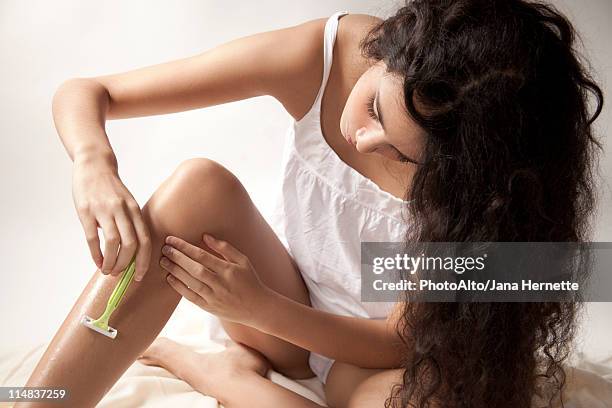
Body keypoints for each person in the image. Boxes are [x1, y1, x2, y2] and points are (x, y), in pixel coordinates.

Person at [17, 1, 604, 407]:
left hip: (377, 362)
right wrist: (94, 162)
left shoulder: (492, 193)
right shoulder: (326, 55)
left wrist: (257, 307)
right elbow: (87, 92)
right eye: (374, 108)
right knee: (196, 186)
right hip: (284, 300)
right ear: (385, 52)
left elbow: (399, 341)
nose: (365, 140)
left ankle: (216, 372)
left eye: (405, 156)